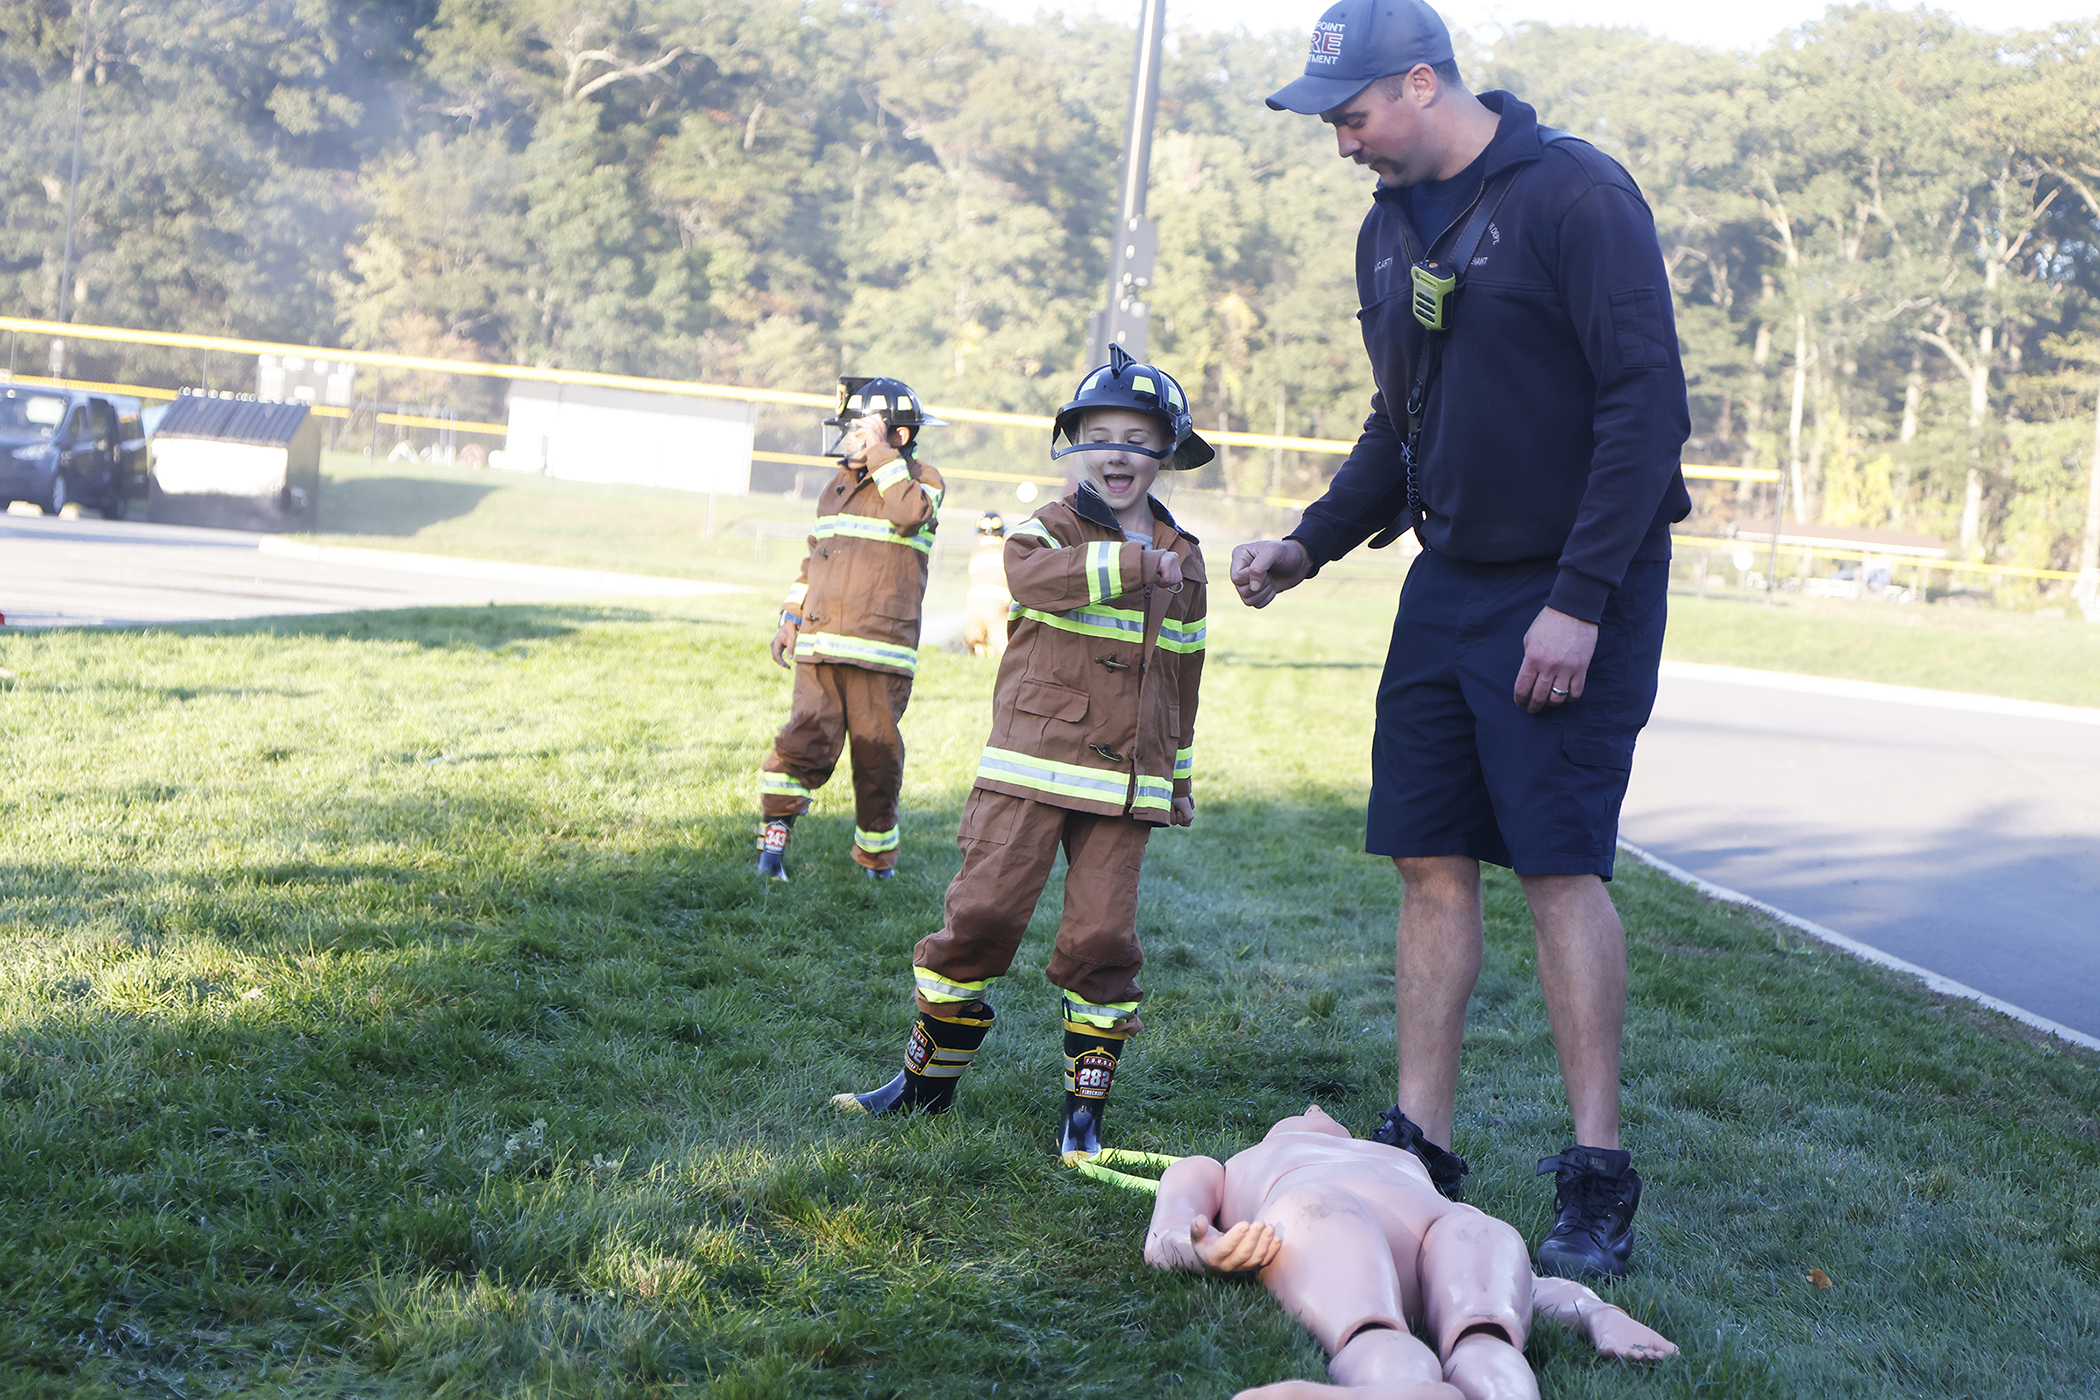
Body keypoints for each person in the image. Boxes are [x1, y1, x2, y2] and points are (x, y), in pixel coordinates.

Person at [1234, 0, 1692, 1279]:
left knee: (1557, 864)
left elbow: (1647, 409)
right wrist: (1311, 541)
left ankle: (1596, 1177)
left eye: (1353, 114)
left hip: (1575, 582)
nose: (1342, 144)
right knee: (1428, 856)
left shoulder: (1575, 196)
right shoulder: (1388, 230)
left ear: (1422, 82)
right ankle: (1418, 1146)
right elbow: (1403, 421)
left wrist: (1582, 598)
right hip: (1449, 585)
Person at [834, 347, 1211, 1155]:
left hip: (1126, 785)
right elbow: (1034, 581)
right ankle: (925, 1084)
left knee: (1104, 942)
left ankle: (1084, 1116)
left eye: (1138, 438)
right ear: (1073, 446)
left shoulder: (1191, 557)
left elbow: (1185, 669)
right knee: (980, 915)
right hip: (1029, 771)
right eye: (1099, 435)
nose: (1117, 453)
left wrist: (1176, 773)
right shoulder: (1050, 527)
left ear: (1167, 451)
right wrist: (1141, 564)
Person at [1143, 1104, 1677, 1400]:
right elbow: (1165, 1240)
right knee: (1436, 1333)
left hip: (1441, 1224)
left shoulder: (1394, 1156)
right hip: (1324, 1213)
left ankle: (1406, 1389)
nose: (1316, 1110)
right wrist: (1206, 1251)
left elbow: (1527, 1286)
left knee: (1488, 1330)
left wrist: (1601, 1314)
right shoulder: (1221, 1165)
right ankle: (1403, 1386)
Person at [758, 377, 947, 881]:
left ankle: (876, 861)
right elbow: (815, 558)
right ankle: (771, 849)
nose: (848, 440)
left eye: (859, 430)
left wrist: (882, 456)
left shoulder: (922, 478)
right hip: (819, 646)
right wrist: (790, 619)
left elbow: (909, 515)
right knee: (801, 742)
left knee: (876, 759)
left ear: (896, 436)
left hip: (879, 651)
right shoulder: (838, 482)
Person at [961, 510, 1013, 658]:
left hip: (972, 606)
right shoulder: (1007, 551)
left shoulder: (976, 554)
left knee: (975, 643)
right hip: (996, 607)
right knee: (1005, 651)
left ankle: (977, 647)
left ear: (980, 534)